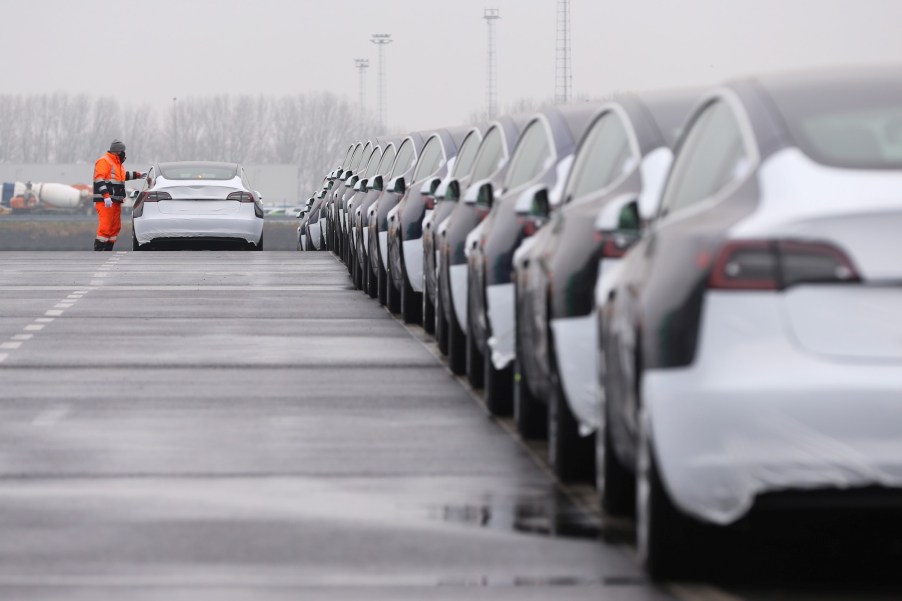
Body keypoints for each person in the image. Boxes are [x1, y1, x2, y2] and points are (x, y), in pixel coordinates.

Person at [93, 139, 143, 251]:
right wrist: (106, 196)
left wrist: (139, 175)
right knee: (105, 228)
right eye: (123, 151)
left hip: (115, 200)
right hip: (105, 201)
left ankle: (107, 250)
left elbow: (122, 176)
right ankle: (99, 251)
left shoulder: (117, 163)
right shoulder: (104, 161)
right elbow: (99, 179)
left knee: (115, 228)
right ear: (118, 151)